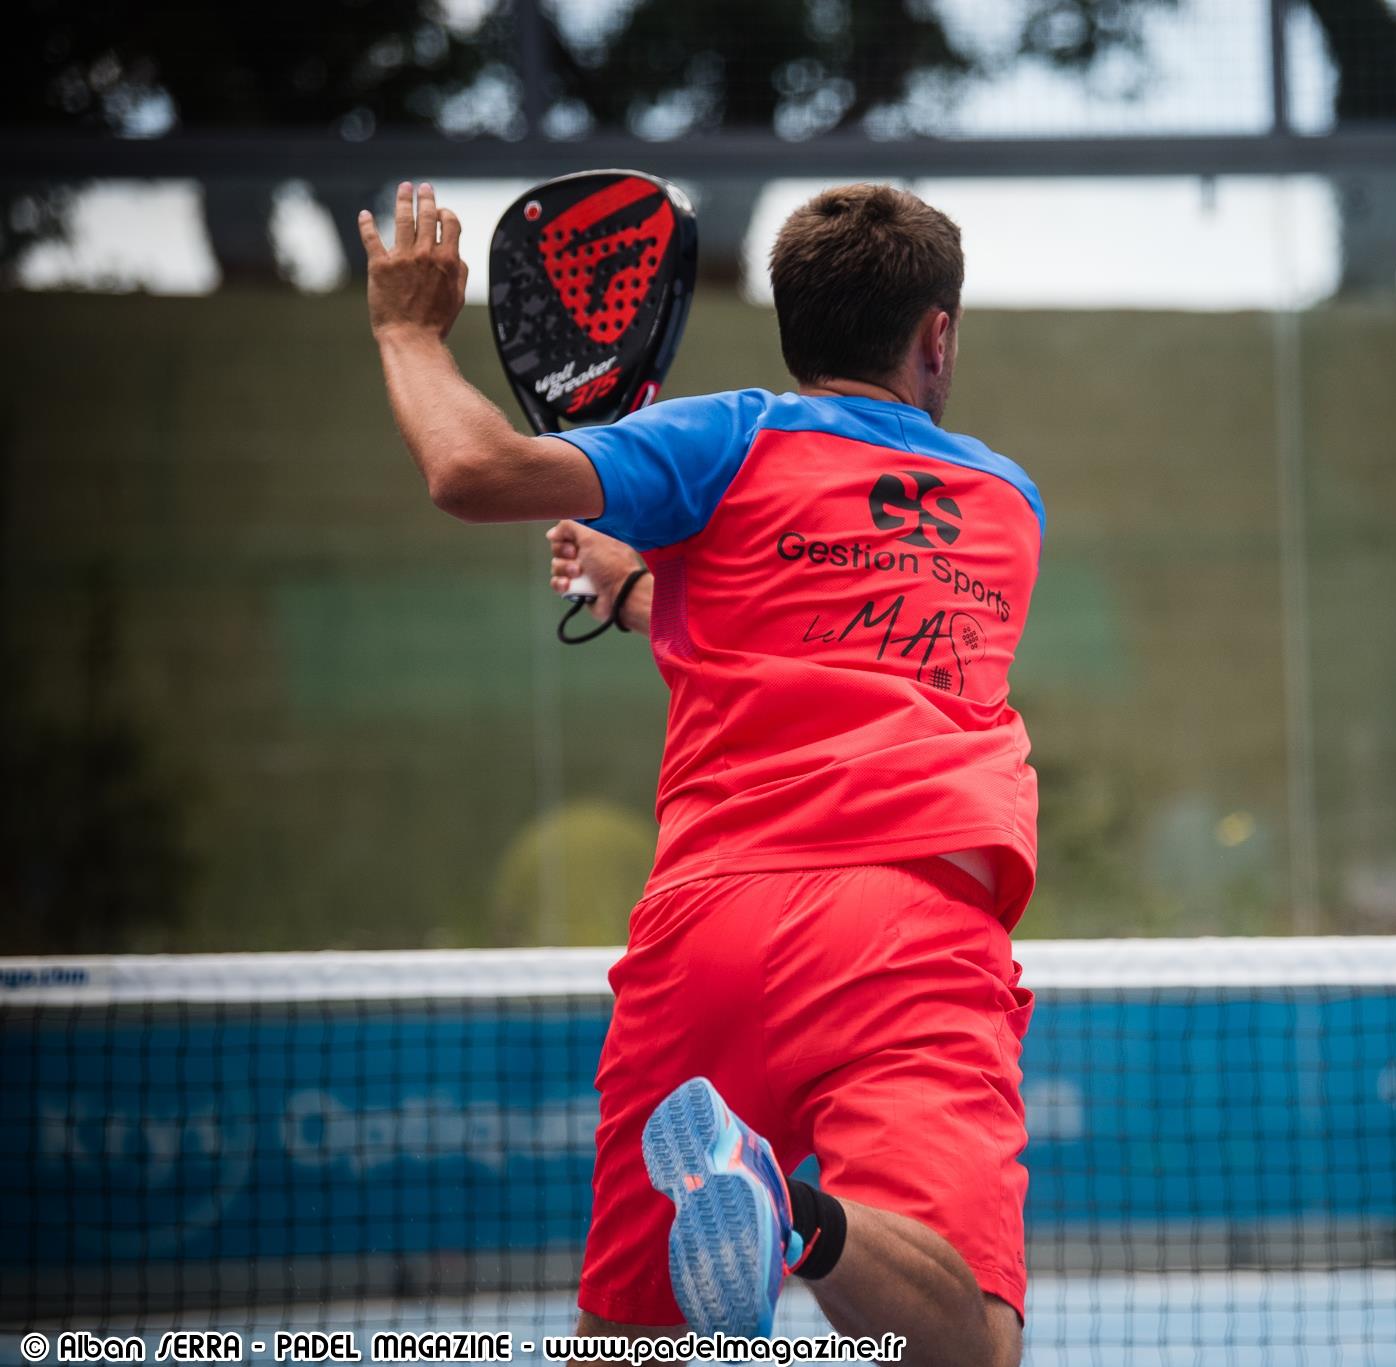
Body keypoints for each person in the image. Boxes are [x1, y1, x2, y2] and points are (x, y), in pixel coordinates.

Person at [357, 180, 1041, 1367]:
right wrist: (638, 580)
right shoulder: (1006, 502)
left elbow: (471, 469)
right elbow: (829, 622)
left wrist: (408, 330)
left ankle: (747, 1201)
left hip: (705, 927)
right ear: (938, 335)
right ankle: (794, 1217)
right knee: (963, 1344)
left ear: (791, 323)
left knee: (627, 1343)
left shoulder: (724, 438)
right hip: (908, 921)